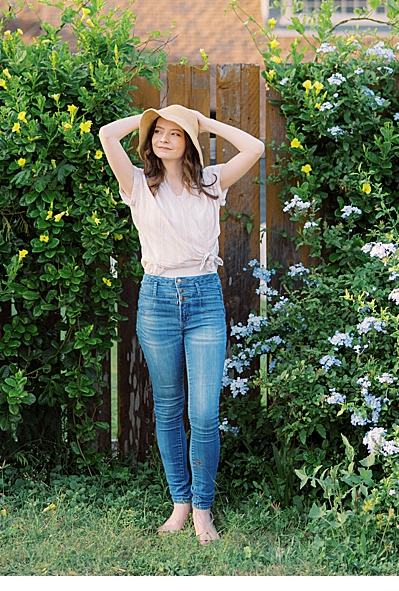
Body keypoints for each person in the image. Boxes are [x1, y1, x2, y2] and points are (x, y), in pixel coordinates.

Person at [97, 104, 263, 545]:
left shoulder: (211, 183)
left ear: (189, 141)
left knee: (204, 413)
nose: (163, 138)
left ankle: (203, 510)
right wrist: (149, 119)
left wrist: (203, 124)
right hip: (157, 301)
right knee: (169, 410)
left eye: (174, 133)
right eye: (158, 132)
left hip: (204, 298)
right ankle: (180, 503)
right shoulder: (136, 183)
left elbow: (256, 147)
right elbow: (106, 135)